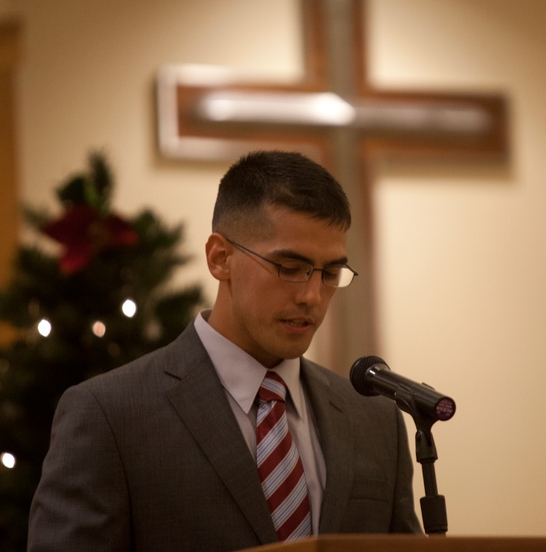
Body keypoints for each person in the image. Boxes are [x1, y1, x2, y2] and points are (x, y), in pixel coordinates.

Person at [28, 150, 422, 551]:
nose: (312, 296)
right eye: (289, 267)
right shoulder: (109, 416)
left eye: (330, 273)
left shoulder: (375, 421)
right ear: (220, 258)